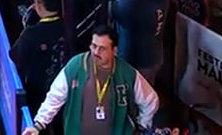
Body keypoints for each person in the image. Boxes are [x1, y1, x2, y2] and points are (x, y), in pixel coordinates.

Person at [25, 27, 160, 135]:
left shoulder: (126, 73)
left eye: (102, 48)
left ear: (114, 50)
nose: (96, 52)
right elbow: (54, 98)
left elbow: (151, 100)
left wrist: (142, 126)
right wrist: (38, 125)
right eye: (93, 46)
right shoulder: (76, 66)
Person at [111, 0, 168, 91]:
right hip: (154, 56)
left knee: (132, 97)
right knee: (147, 95)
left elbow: (110, 6)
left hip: (134, 62)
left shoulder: (130, 3)